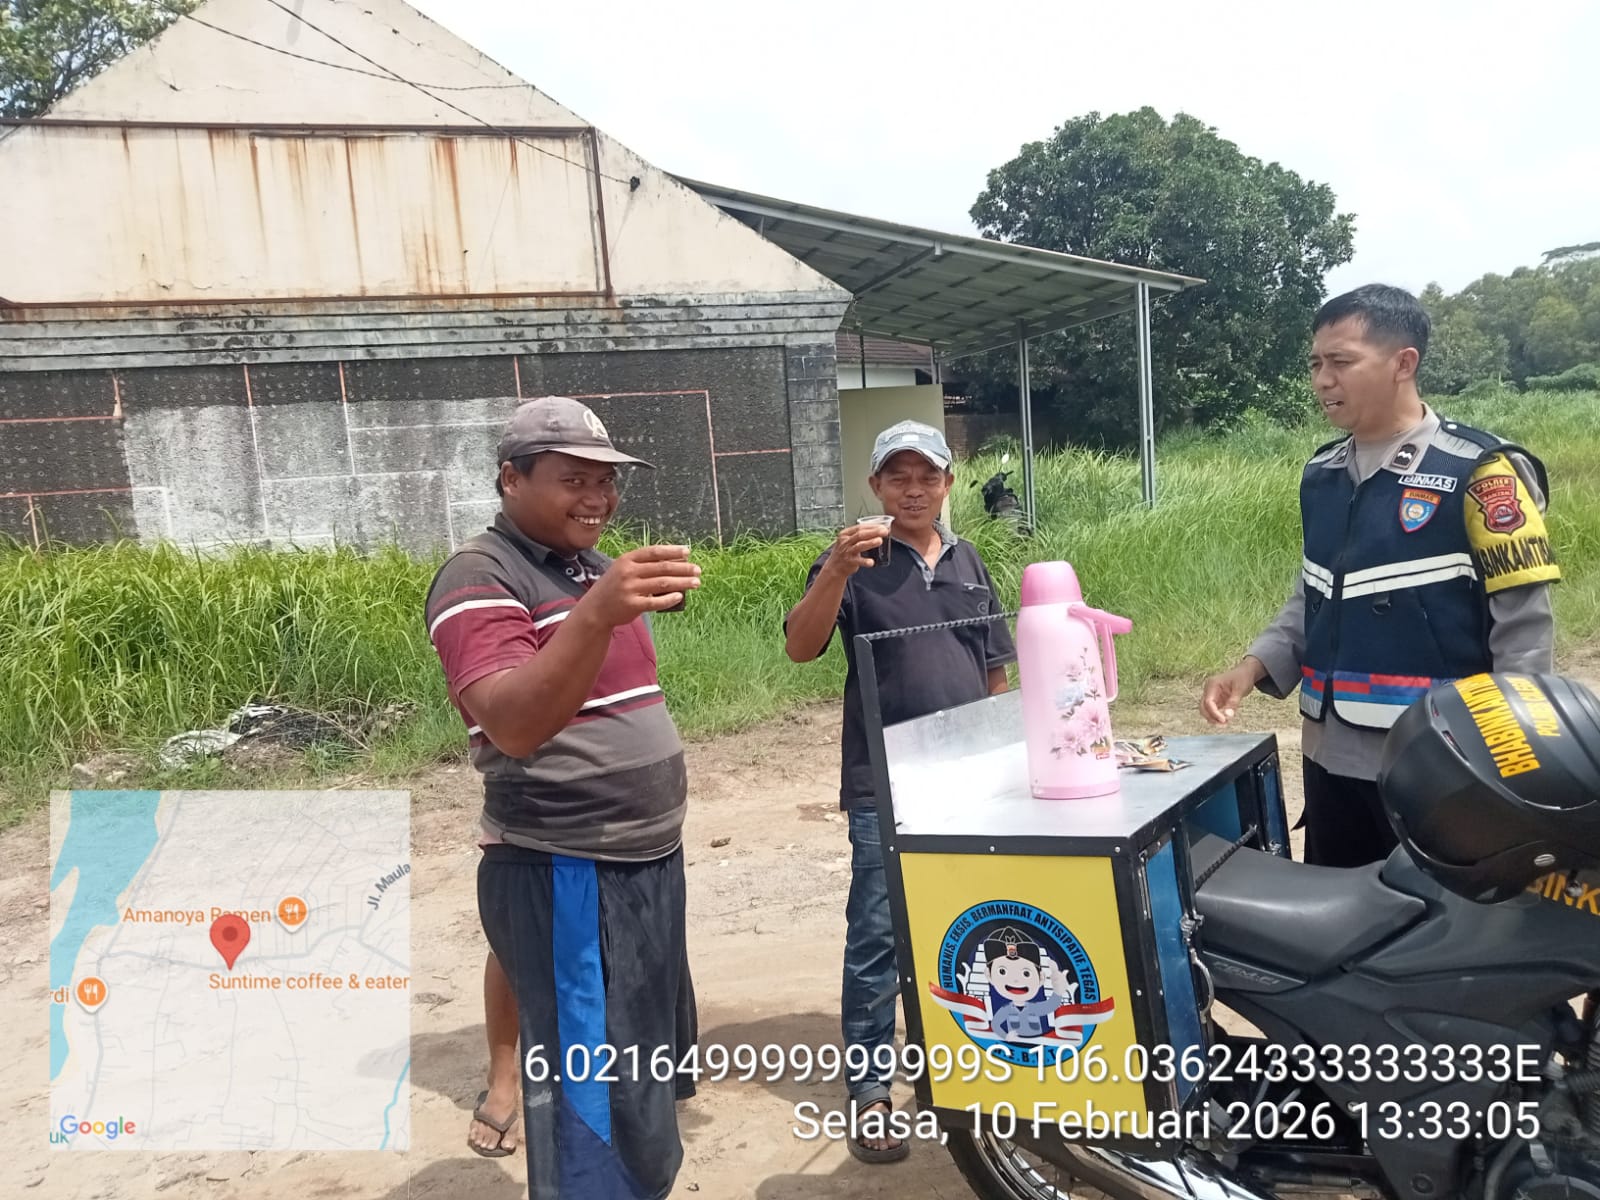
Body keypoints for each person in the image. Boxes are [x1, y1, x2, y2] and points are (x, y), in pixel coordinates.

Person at [424, 396, 702, 1199]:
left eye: (606, 481)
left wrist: (606, 602)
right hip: (568, 866)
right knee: (592, 1091)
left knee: (636, 1073)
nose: (597, 497)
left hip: (643, 861)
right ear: (511, 479)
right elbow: (512, 724)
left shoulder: (585, 568)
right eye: (573, 479)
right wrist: (597, 614)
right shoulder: (480, 574)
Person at [1201, 285, 1560, 867]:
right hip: (1328, 758)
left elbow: (1523, 630)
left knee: (1437, 914)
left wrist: (1514, 757)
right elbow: (1314, 592)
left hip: (1439, 760)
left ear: (1403, 363)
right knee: (1335, 908)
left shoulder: (1482, 471)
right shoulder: (1322, 473)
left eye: (1341, 362)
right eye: (1315, 364)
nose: (1323, 380)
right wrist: (1252, 667)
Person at [783, 419, 1016, 1163]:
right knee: (879, 933)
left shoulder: (970, 560)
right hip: (884, 782)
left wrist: (1007, 767)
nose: (914, 490)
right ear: (876, 485)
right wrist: (835, 572)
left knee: (970, 924)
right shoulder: (854, 560)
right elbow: (800, 646)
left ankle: (962, 1061)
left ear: (948, 484)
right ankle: (871, 1092)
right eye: (898, 477)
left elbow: (994, 672)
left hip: (969, 780)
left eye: (927, 477)